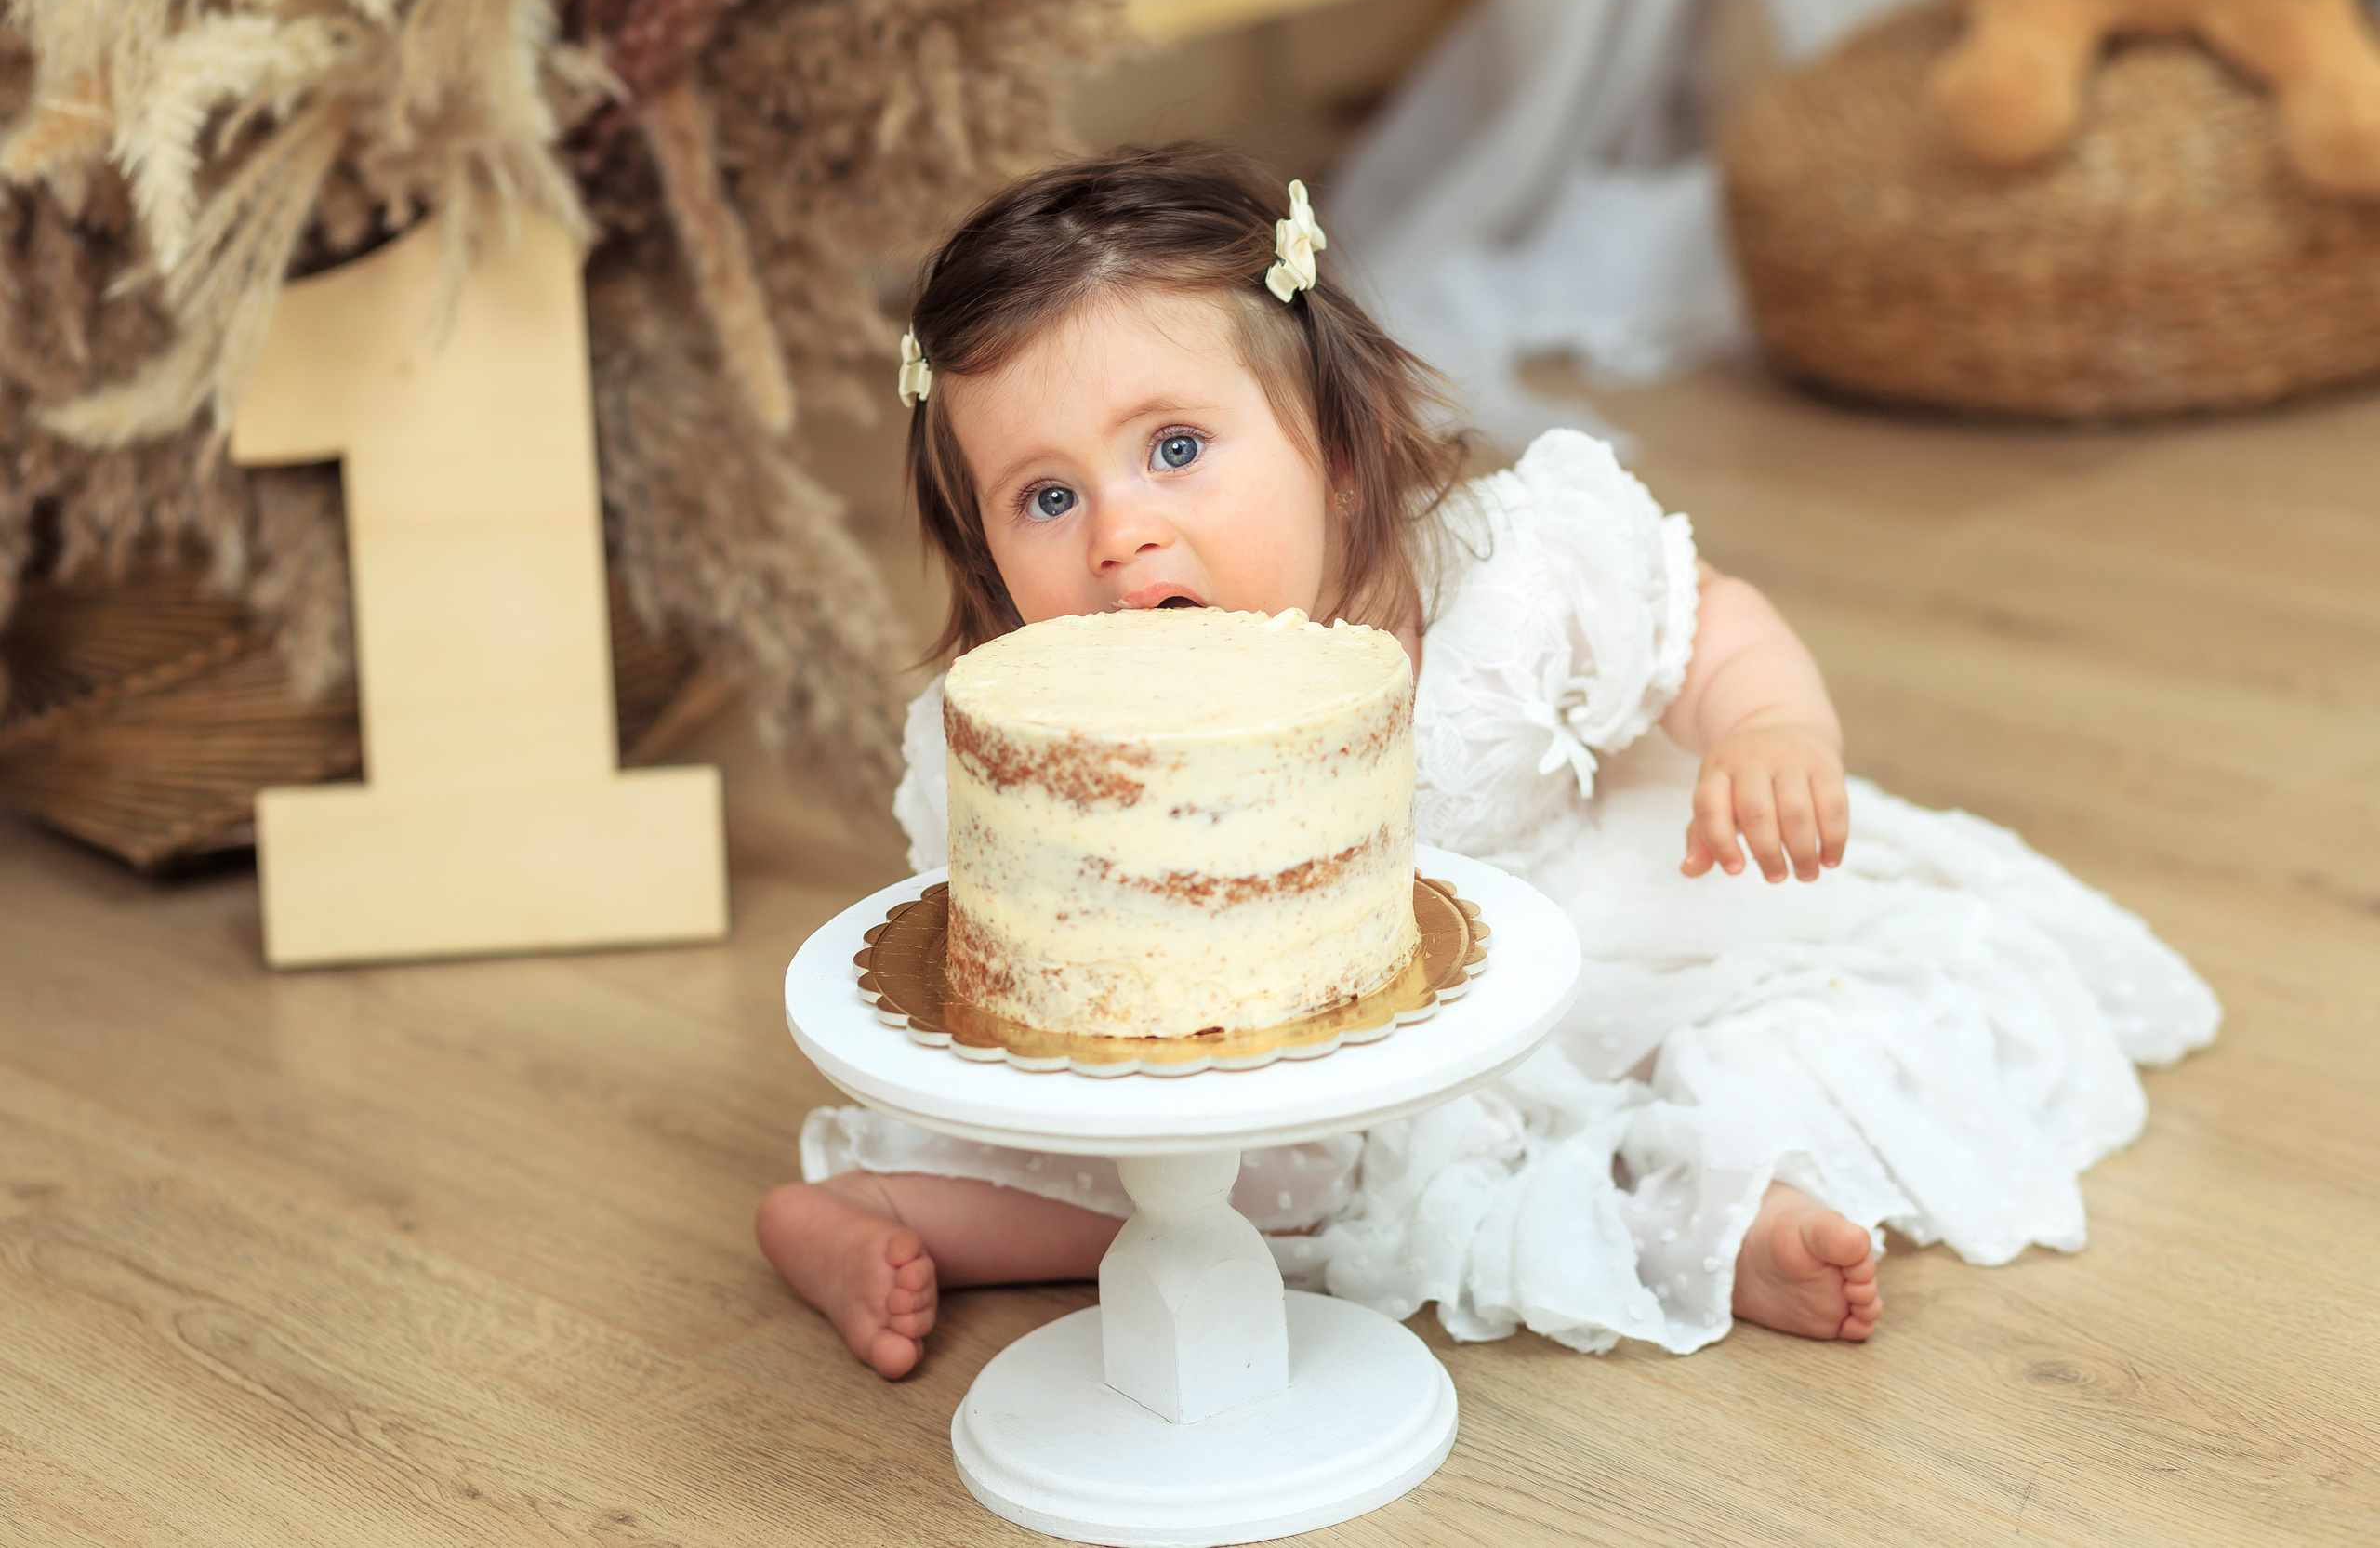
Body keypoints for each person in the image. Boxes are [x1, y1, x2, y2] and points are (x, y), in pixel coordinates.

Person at [756, 145, 2220, 1380]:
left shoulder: (1499, 574)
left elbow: (1703, 623)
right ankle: (884, 1209)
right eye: (1047, 495)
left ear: (1334, 449)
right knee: (1188, 1176)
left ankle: (1729, 1221)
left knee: (1739, 1052)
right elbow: (1022, 929)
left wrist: (1769, 727)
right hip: (1262, 1054)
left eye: (1179, 449)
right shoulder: (1034, 733)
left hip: (1567, 968)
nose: (1119, 533)